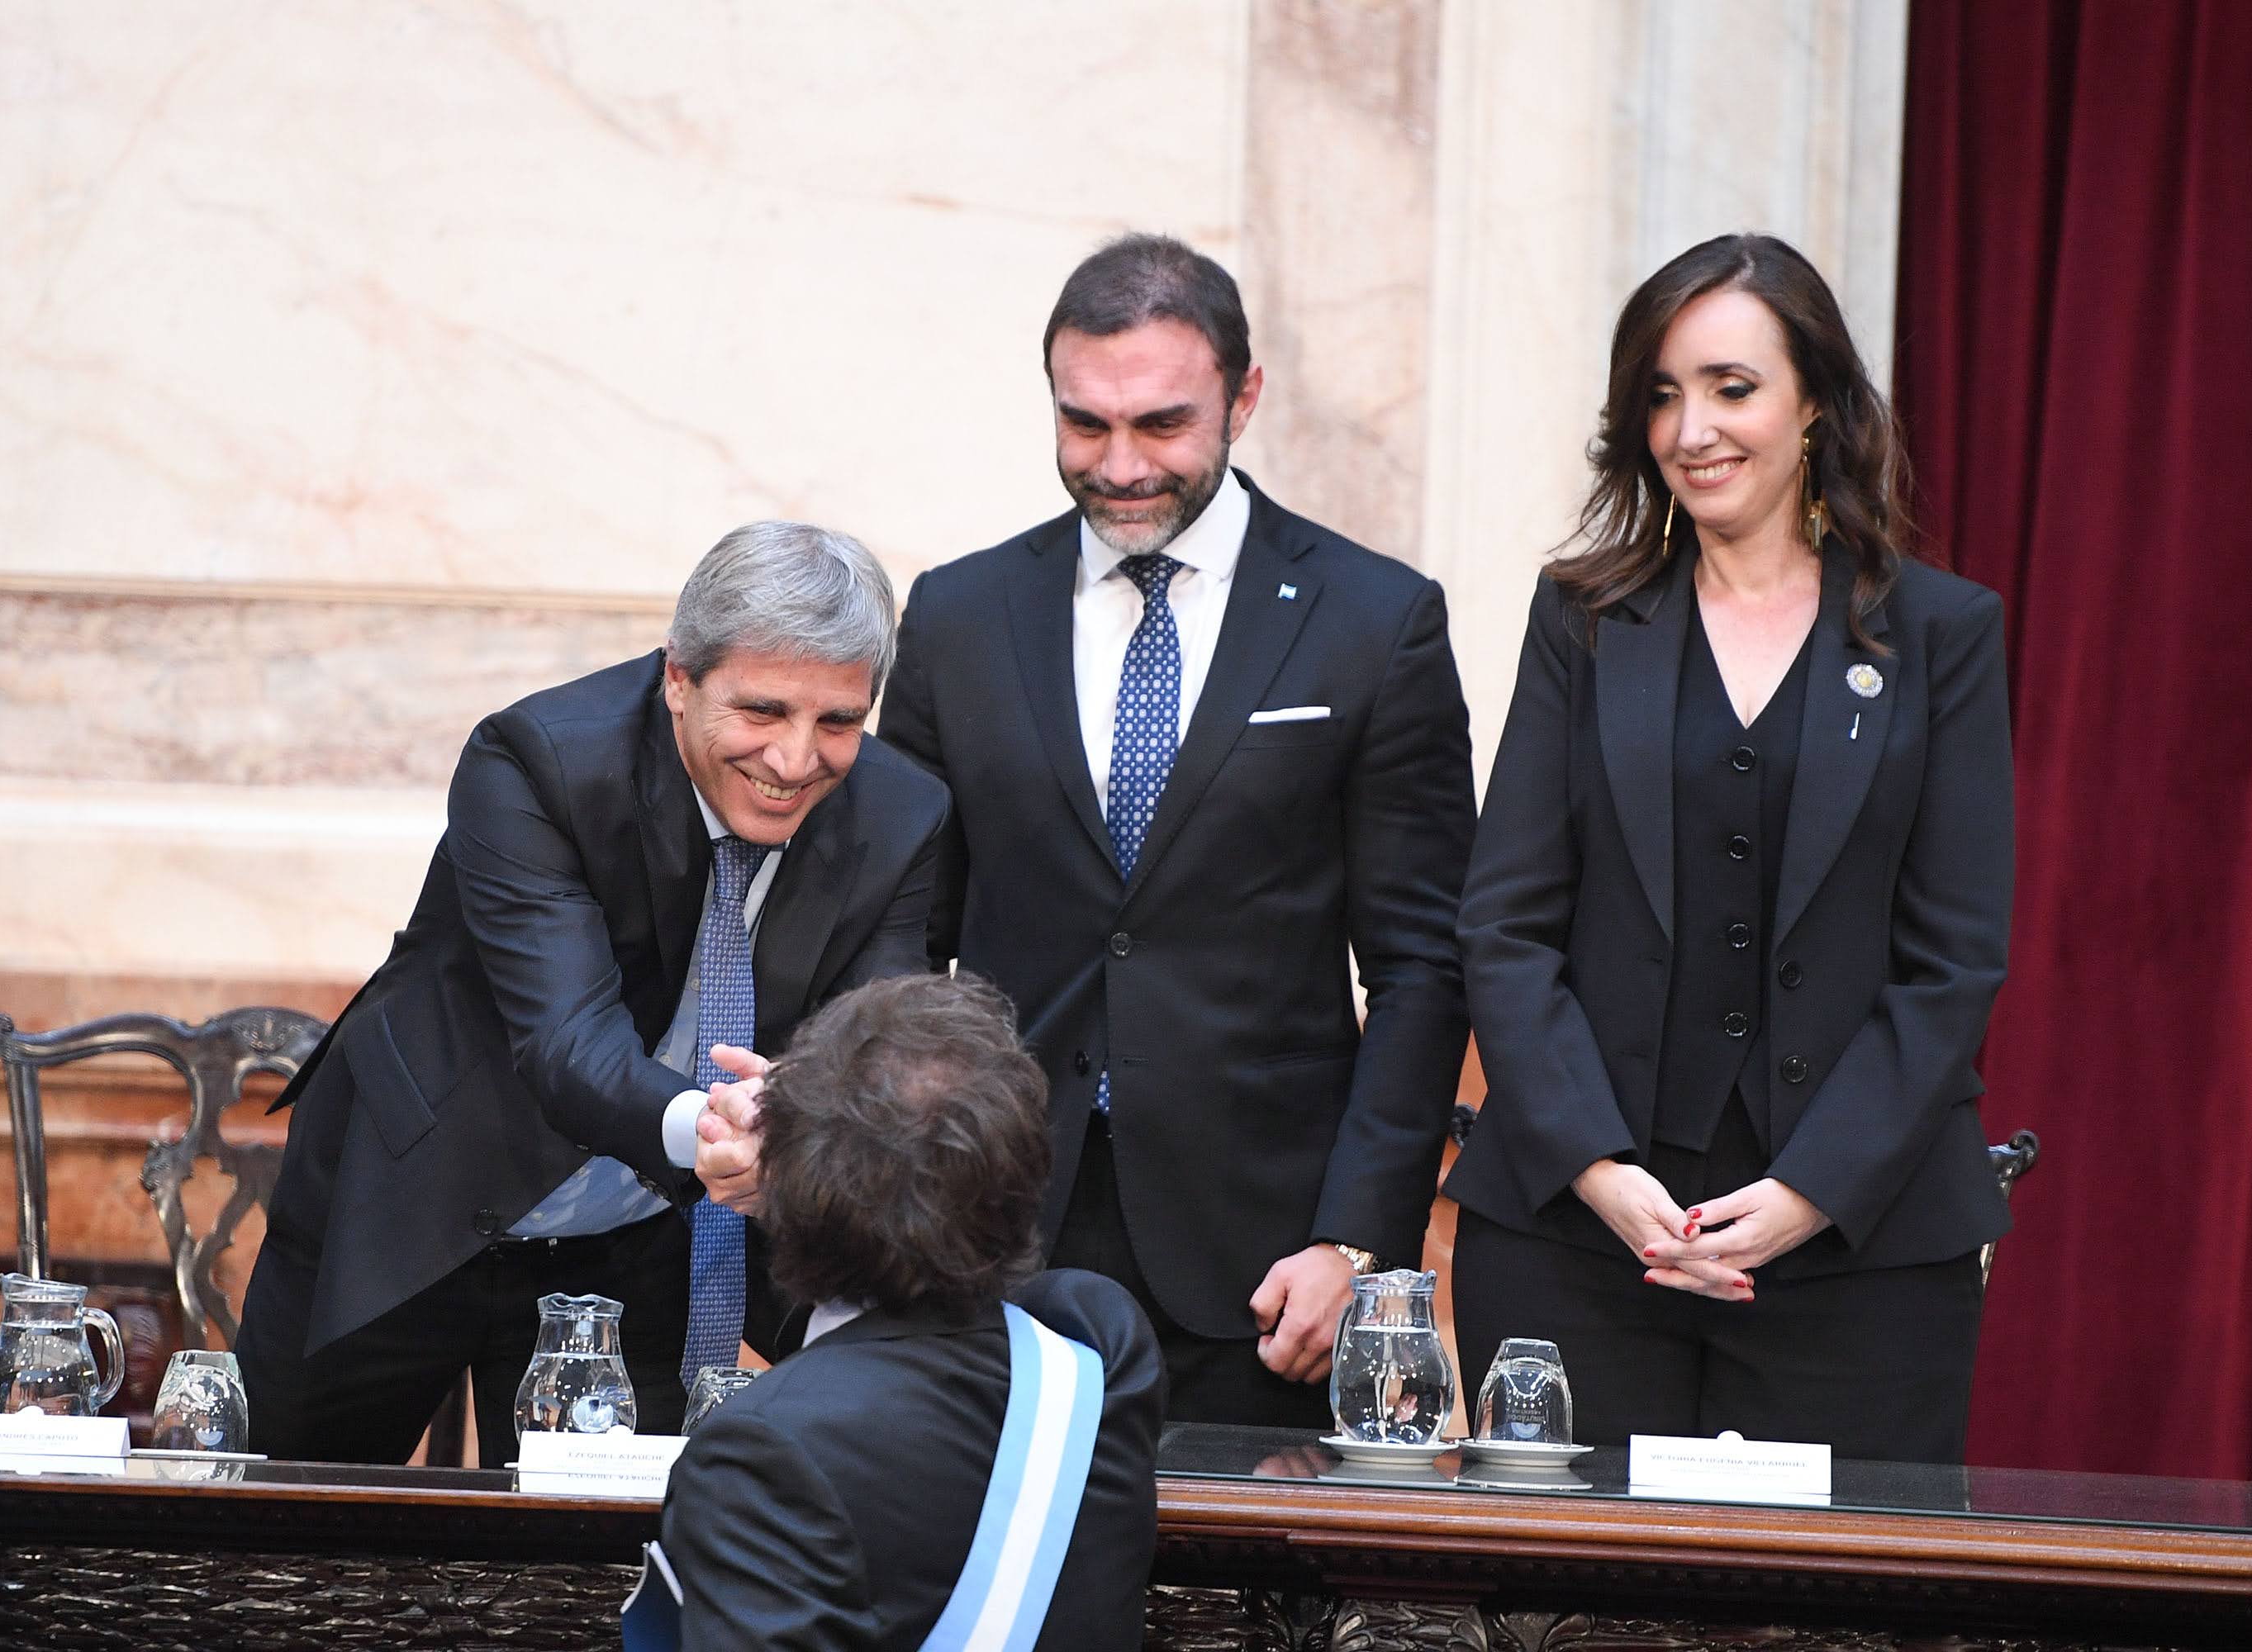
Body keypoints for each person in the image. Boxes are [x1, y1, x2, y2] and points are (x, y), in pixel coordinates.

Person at [877, 233, 1475, 1427]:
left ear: (1244, 398)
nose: (1120, 465)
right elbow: (895, 939)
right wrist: (898, 1194)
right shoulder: (958, 613)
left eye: (1161, 424)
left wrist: (1354, 1242)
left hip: (1263, 1270)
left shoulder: (1376, 621)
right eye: (1084, 425)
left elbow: (1420, 965)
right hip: (992, 1234)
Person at [1446, 233, 2015, 1462]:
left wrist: (1812, 1194)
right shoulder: (1582, 618)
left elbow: (1952, 964)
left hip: (1860, 1261)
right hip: (1575, 1249)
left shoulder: (1943, 636)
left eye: (1731, 388)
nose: (1690, 427)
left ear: (1814, 402)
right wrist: (1596, 1169)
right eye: (1661, 393)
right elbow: (1505, 923)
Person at [235, 521, 948, 1469]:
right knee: (281, 1537)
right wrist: (723, 1128)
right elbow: (568, 1041)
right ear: (679, 679)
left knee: (591, 1570)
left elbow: (872, 1049)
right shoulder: (536, 760)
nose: (794, 759)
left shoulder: (903, 812)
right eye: (763, 710)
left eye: (838, 722)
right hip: (418, 1193)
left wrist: (793, 1123)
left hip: (635, 1240)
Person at [658, 972, 1165, 1650]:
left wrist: (805, 1149)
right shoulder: (1101, 1361)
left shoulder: (762, 1453)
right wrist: (817, 1139)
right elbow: (1044, 1288)